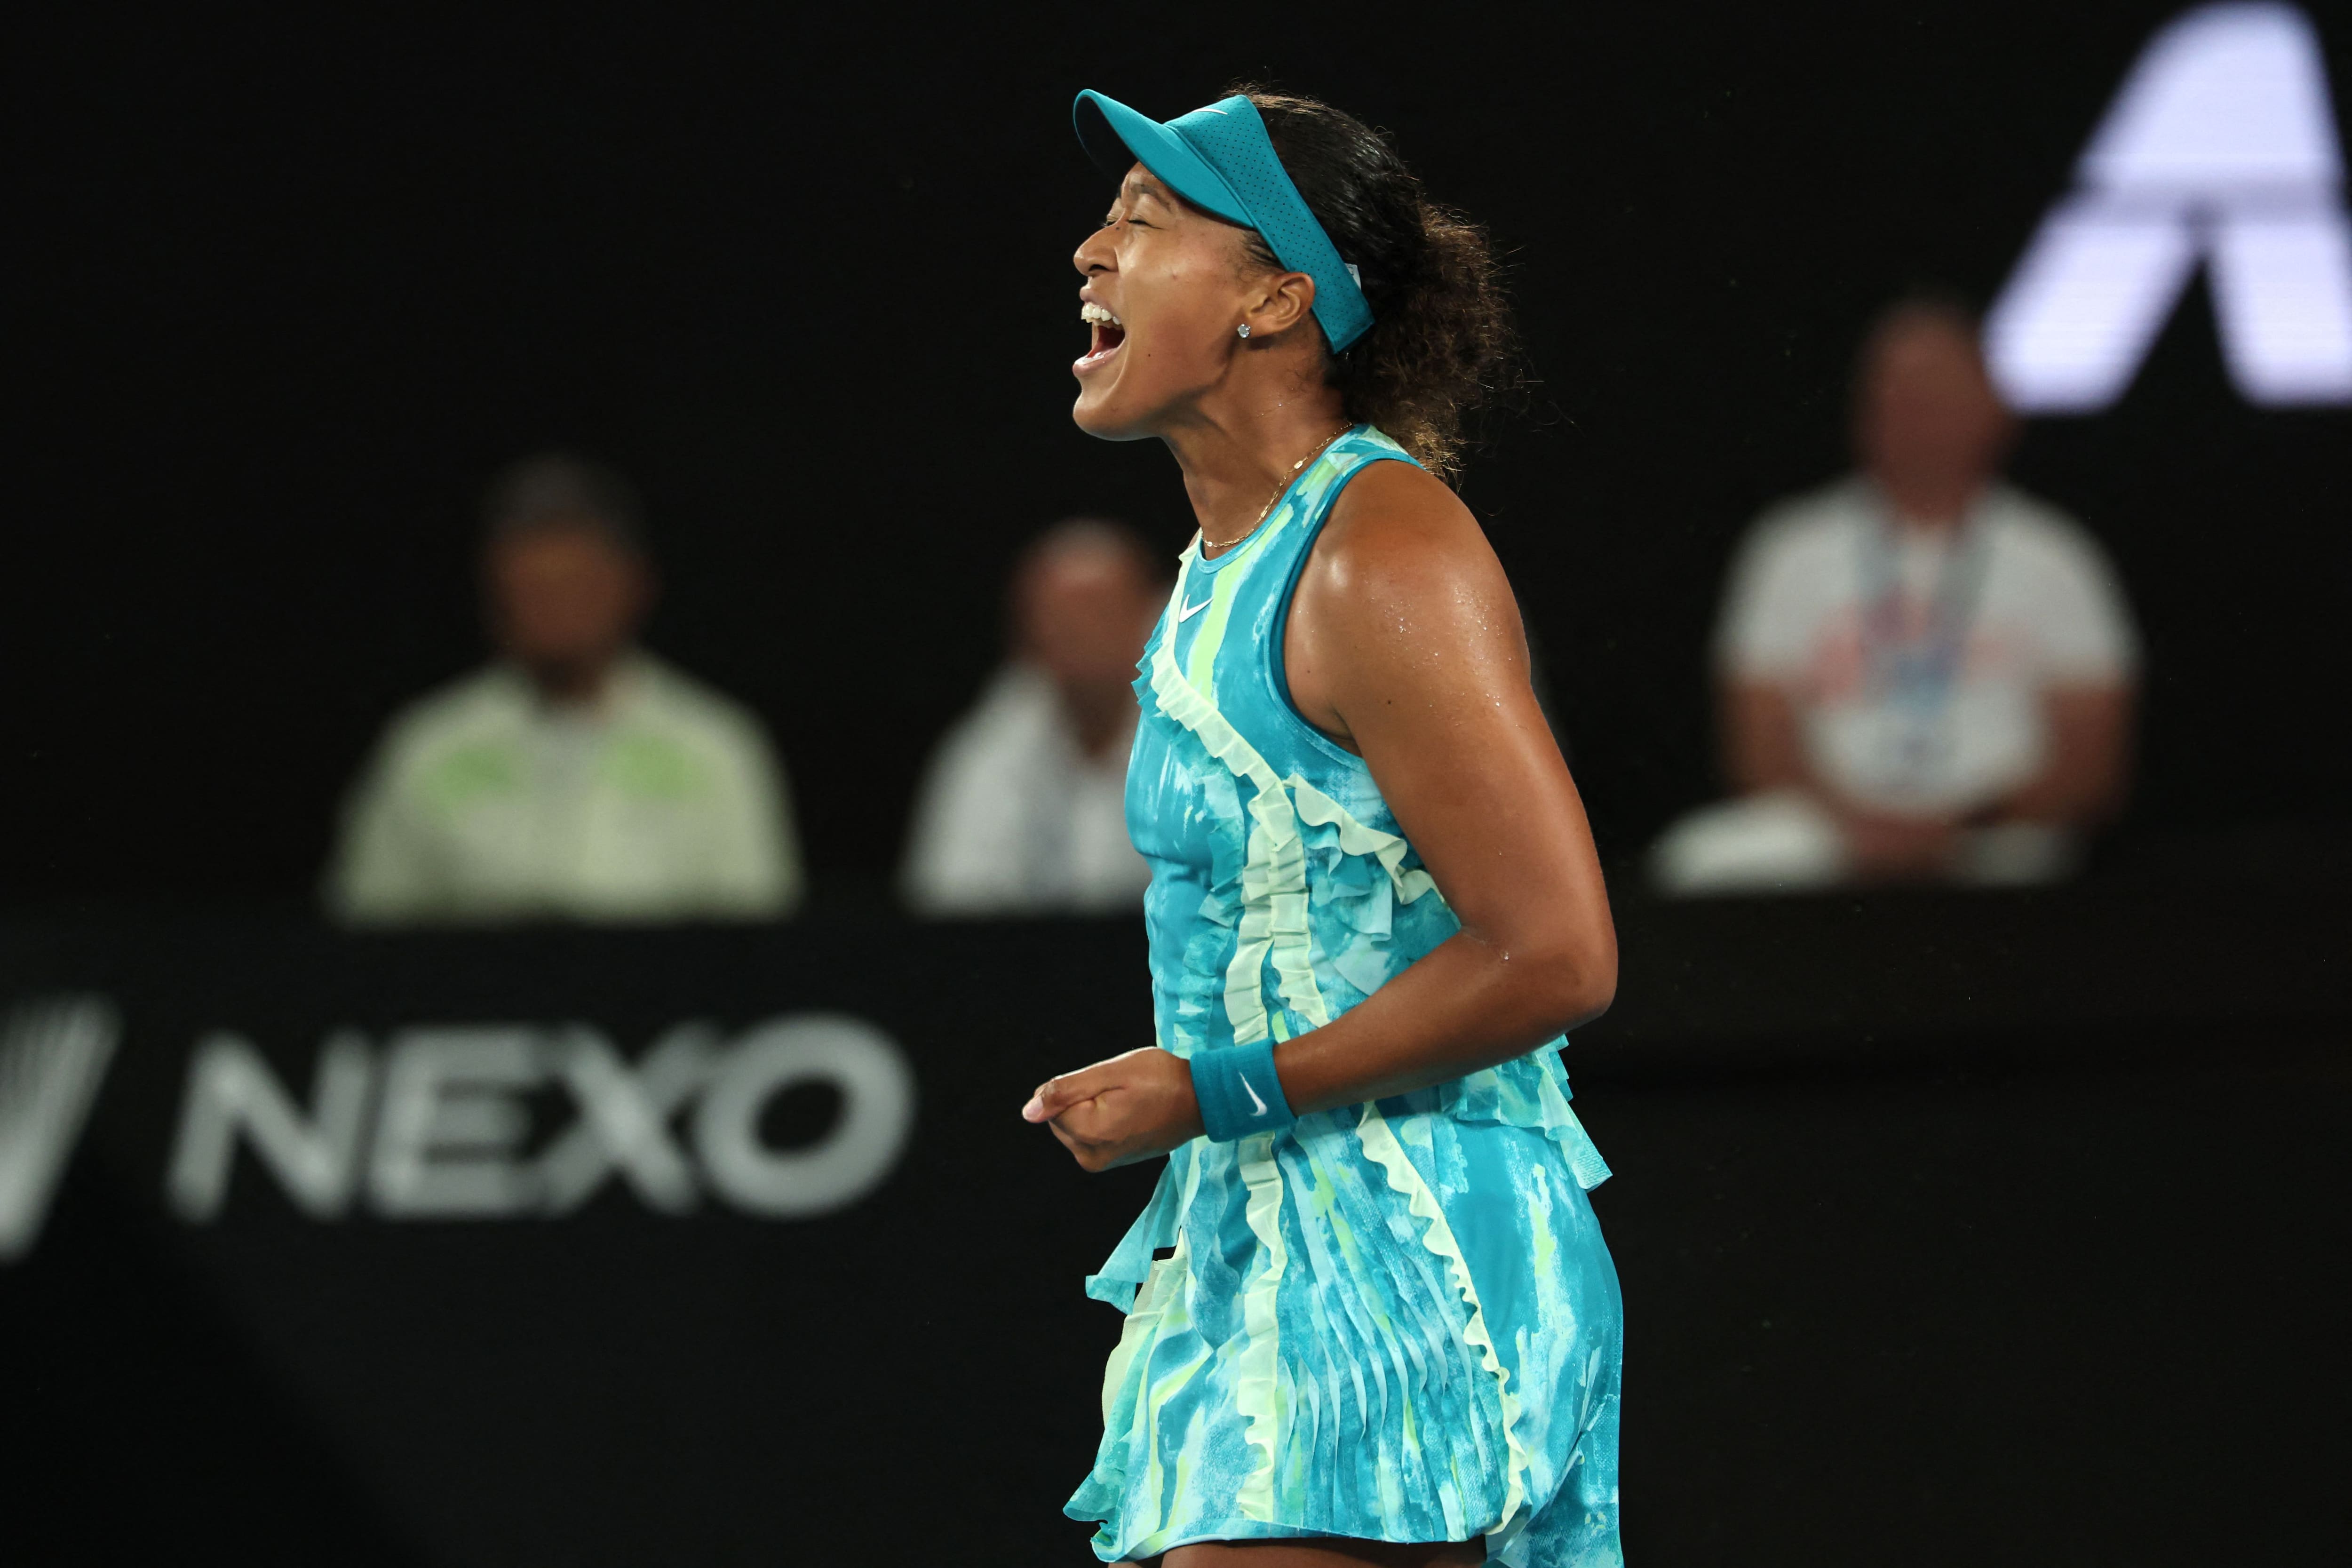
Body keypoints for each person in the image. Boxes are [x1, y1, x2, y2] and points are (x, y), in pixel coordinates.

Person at [1021, 89, 1624, 1567]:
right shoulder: (1219, 564)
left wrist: (1212, 1089)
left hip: (1408, 1247)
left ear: (1274, 300)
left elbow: (1554, 952)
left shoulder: (1380, 554)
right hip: (1266, 1240)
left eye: (1147, 220)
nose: (1092, 250)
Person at [1651, 299, 2140, 894]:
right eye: (1894, 395)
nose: (1912, 416)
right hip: (1831, 829)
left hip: (1995, 833)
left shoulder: (2055, 557)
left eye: (1935, 397)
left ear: (1994, 411)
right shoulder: (1791, 548)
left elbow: (2091, 765)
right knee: (1699, 860)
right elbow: (1757, 744)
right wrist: (1860, 826)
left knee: (2036, 857)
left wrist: (1958, 826)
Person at [327, 454, 803, 924]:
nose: (555, 611)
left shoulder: (712, 745)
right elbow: (369, 923)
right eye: (532, 591)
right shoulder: (429, 746)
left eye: (575, 587)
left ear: (633, 587)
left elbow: (758, 926)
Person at [899, 519, 1162, 915]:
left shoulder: (1212, 732)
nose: (1080, 632)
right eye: (1057, 617)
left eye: (1100, 611)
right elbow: (950, 903)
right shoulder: (993, 742)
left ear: (1153, 615)